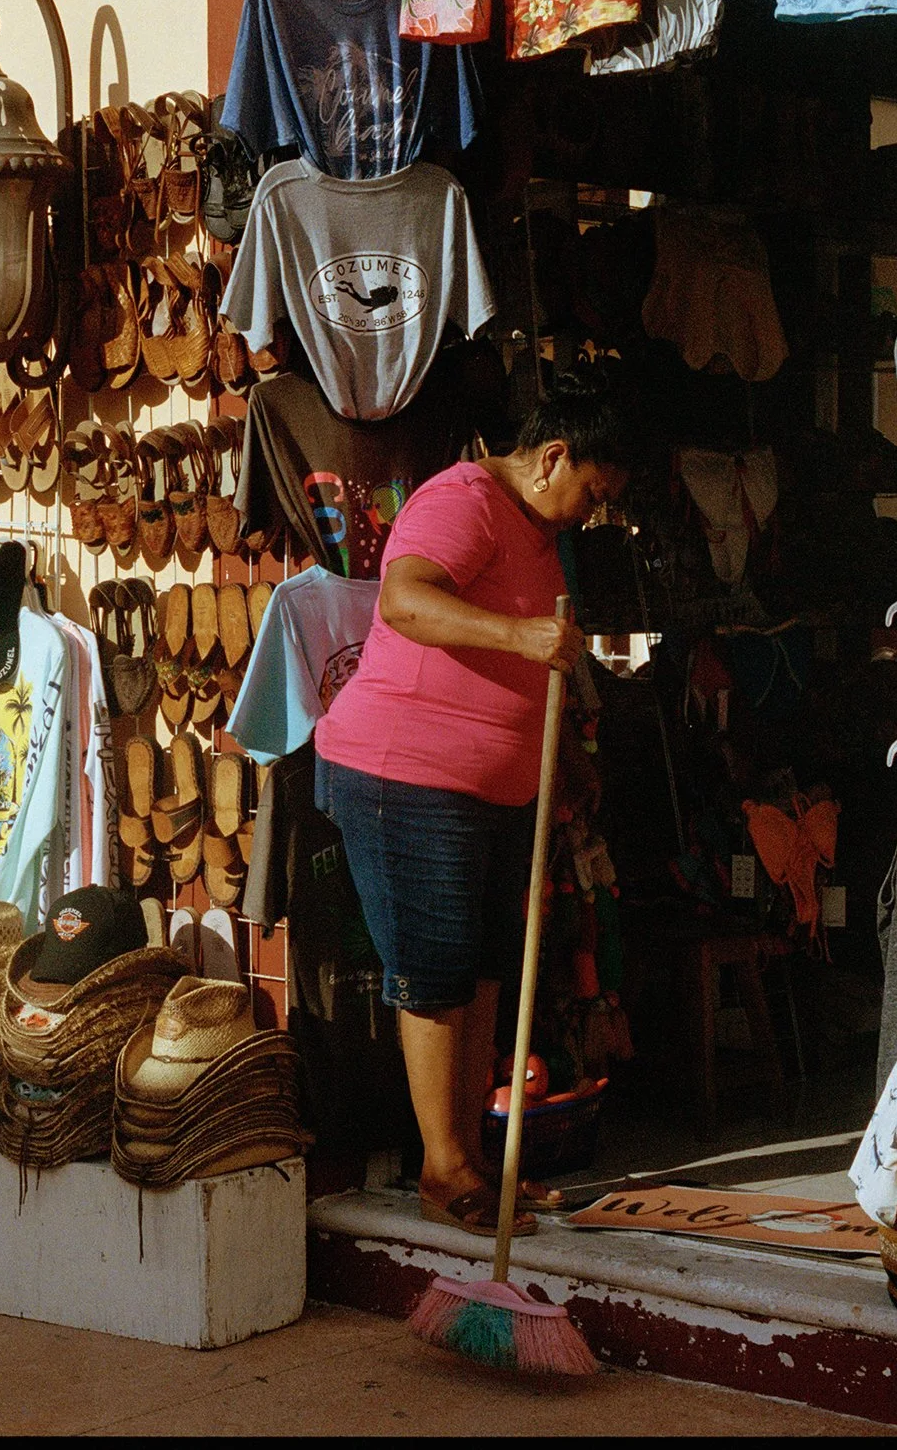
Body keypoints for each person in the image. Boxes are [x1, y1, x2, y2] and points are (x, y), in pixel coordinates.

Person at [311, 366, 639, 1237]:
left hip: (494, 790)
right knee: (436, 971)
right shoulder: (463, 500)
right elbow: (404, 600)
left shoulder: (537, 528)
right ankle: (443, 1168)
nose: (591, 514)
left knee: (487, 970)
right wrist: (519, 635)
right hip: (406, 775)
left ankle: (475, 1162)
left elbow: (532, 668)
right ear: (553, 457)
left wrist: (563, 762)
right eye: (592, 493)